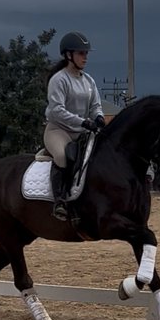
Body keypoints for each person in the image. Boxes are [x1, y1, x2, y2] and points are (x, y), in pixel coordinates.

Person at [44, 30, 105, 220]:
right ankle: (60, 201)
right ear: (69, 55)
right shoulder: (59, 80)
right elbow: (57, 110)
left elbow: (95, 106)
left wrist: (99, 117)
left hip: (83, 131)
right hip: (58, 130)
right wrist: (83, 121)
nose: (85, 57)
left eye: (86, 53)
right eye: (81, 53)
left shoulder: (88, 80)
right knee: (63, 156)